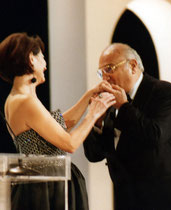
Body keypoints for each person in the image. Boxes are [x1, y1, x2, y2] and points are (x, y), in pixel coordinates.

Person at [0, 32, 116, 210]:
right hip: (46, 188)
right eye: (43, 58)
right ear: (31, 58)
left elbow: (63, 123)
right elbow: (69, 143)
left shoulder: (18, 98)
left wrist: (90, 94)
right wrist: (93, 113)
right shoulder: (25, 101)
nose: (45, 65)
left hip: (45, 183)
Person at [83, 43, 171, 210]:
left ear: (132, 66)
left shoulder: (164, 92)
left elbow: (155, 135)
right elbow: (94, 155)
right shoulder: (110, 102)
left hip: (168, 198)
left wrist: (123, 106)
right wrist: (96, 121)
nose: (105, 77)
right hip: (129, 198)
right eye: (101, 72)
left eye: (109, 68)